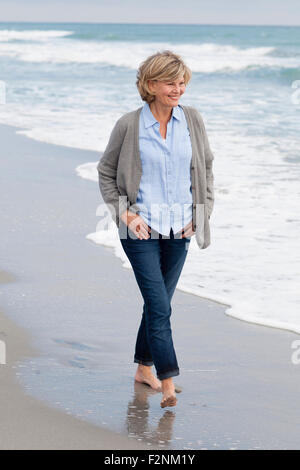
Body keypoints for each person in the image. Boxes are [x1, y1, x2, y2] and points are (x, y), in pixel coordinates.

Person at [97, 50, 214, 408]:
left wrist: (203, 212)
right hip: (140, 230)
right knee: (160, 307)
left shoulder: (192, 120)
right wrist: (126, 215)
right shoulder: (129, 125)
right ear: (150, 85)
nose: (178, 89)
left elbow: (206, 169)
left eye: (182, 83)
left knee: (156, 304)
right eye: (170, 82)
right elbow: (105, 172)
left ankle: (142, 369)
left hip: (180, 229)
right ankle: (167, 381)